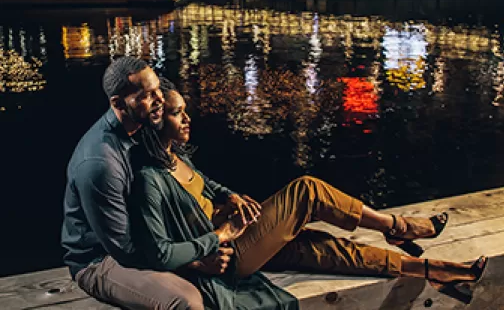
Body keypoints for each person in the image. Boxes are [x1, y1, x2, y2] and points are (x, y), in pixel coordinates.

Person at [130, 77, 488, 309]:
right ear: (158, 122)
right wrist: (214, 241)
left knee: (323, 247)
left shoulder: (176, 159)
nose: (188, 118)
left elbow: (209, 188)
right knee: (307, 190)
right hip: (227, 252)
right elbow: (156, 249)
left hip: (237, 234)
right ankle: (397, 227)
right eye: (179, 114)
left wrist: (233, 196)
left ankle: (430, 269)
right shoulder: (149, 178)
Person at [61, 57, 204, 310]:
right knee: (186, 301)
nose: (160, 99)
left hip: (147, 240)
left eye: (157, 89)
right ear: (118, 103)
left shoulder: (140, 127)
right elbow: (125, 251)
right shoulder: (100, 163)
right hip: (101, 260)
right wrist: (194, 260)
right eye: (147, 95)